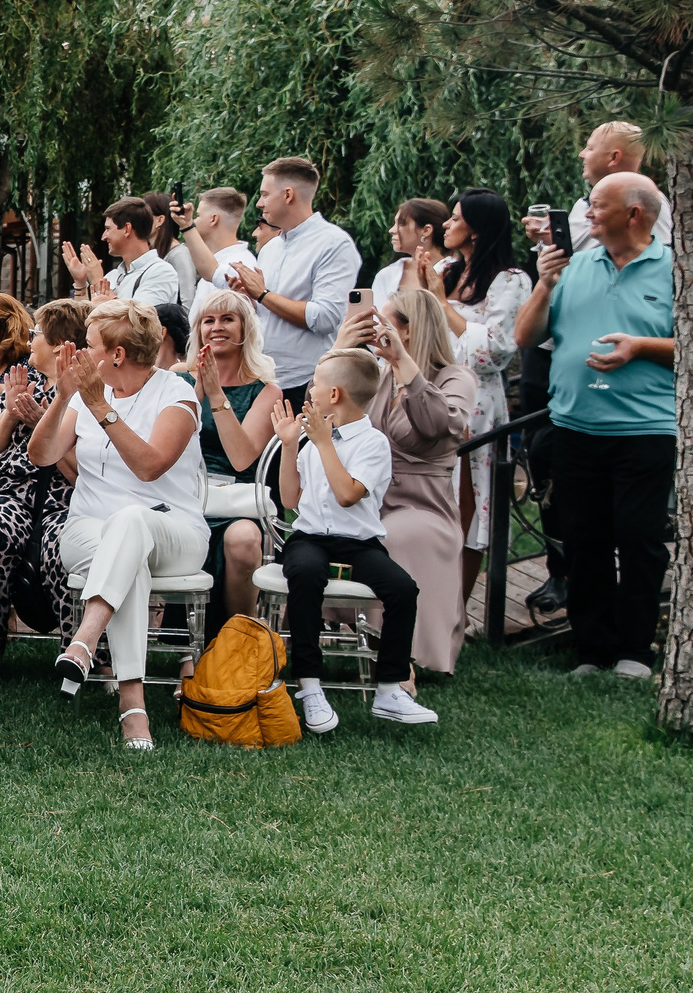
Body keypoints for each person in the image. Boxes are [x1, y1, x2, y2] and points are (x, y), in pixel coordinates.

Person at [516, 172, 675, 677]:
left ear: (634, 214)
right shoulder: (575, 266)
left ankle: (634, 652)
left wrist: (641, 347)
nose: (586, 215)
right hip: (575, 425)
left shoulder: (676, 269)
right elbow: (526, 335)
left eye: (598, 206)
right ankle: (591, 650)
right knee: (584, 542)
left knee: (639, 541)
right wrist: (544, 284)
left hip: (645, 429)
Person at [27, 298, 203, 750]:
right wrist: (65, 396)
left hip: (173, 530)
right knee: (128, 558)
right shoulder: (84, 397)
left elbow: (150, 467)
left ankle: (87, 639)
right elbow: (41, 455)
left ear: (116, 355)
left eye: (88, 345)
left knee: (130, 524)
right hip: (88, 531)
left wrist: (100, 406)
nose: (79, 354)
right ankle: (132, 707)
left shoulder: (176, 394)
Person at [521, 123, 651, 615]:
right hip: (554, 346)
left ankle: (609, 574)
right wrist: (545, 249)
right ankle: (562, 569)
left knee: (603, 470)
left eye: (590, 146)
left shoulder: (658, 215)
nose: (581, 152)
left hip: (616, 356)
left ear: (615, 157)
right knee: (543, 456)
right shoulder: (578, 209)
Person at [273, 348, 436, 729]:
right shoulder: (313, 439)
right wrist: (289, 445)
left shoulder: (372, 443)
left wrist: (324, 443)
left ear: (335, 395)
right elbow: (289, 500)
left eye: (316, 381)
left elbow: (348, 494)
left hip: (359, 541)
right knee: (306, 575)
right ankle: (310, 686)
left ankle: (389, 691)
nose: (309, 389)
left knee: (402, 589)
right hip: (309, 537)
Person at [360, 288, 476, 678]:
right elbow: (326, 404)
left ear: (407, 331)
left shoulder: (455, 378)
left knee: (393, 536)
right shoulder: (378, 377)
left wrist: (405, 367)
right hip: (373, 495)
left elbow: (435, 425)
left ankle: (399, 658)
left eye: (385, 319)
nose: (376, 326)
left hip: (423, 504)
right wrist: (345, 344)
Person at [429, 189, 533, 598]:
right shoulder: (445, 270)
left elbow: (492, 351)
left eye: (455, 219)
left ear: (476, 229)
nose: (447, 225)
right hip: (429, 392)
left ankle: (456, 606)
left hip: (475, 402)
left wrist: (441, 303)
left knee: (465, 503)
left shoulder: (511, 281)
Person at [0, 293, 75, 637]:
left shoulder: (84, 395)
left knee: (61, 550)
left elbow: (82, 466)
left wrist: (43, 421)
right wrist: (12, 414)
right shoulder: (22, 379)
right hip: (10, 493)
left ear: (60, 346)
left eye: (39, 334)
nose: (31, 339)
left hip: (61, 499)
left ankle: (86, 654)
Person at [225, 156, 360, 407]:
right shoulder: (271, 248)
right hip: (263, 379)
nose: (259, 203)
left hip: (306, 383)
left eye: (265, 194)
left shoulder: (333, 244)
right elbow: (269, 312)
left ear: (288, 194)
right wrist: (249, 299)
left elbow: (325, 318)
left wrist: (263, 294)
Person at [185, 287, 285, 626]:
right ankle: (187, 646)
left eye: (228, 319)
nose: (217, 327)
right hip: (185, 495)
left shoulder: (266, 390)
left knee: (244, 540)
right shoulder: (179, 379)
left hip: (237, 499)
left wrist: (215, 394)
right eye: (208, 320)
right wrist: (196, 388)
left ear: (246, 330)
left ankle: (239, 637)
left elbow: (242, 458)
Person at [64, 196, 181, 308]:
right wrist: (80, 283)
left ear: (127, 229)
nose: (103, 237)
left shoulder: (161, 272)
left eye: (108, 229)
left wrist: (97, 281)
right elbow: (85, 322)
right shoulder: (113, 276)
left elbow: (140, 321)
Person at [180, 187, 256, 320]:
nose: (194, 222)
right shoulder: (219, 260)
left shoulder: (238, 266)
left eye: (198, 216)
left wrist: (186, 226)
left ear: (213, 219)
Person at [368, 197, 453, 310]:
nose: (392, 230)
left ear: (426, 230)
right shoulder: (388, 274)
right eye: (395, 223)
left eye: (402, 224)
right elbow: (377, 320)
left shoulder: (454, 272)